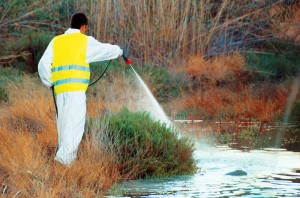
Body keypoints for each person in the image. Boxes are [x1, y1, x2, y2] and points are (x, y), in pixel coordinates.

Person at [38, 12, 123, 165]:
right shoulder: (85, 41)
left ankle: (64, 164)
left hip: (60, 92)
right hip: (75, 92)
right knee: (74, 127)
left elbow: (43, 64)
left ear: (71, 24)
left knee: (64, 127)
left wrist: (49, 81)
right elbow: (104, 50)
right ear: (83, 27)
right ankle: (62, 164)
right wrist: (119, 51)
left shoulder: (56, 41)